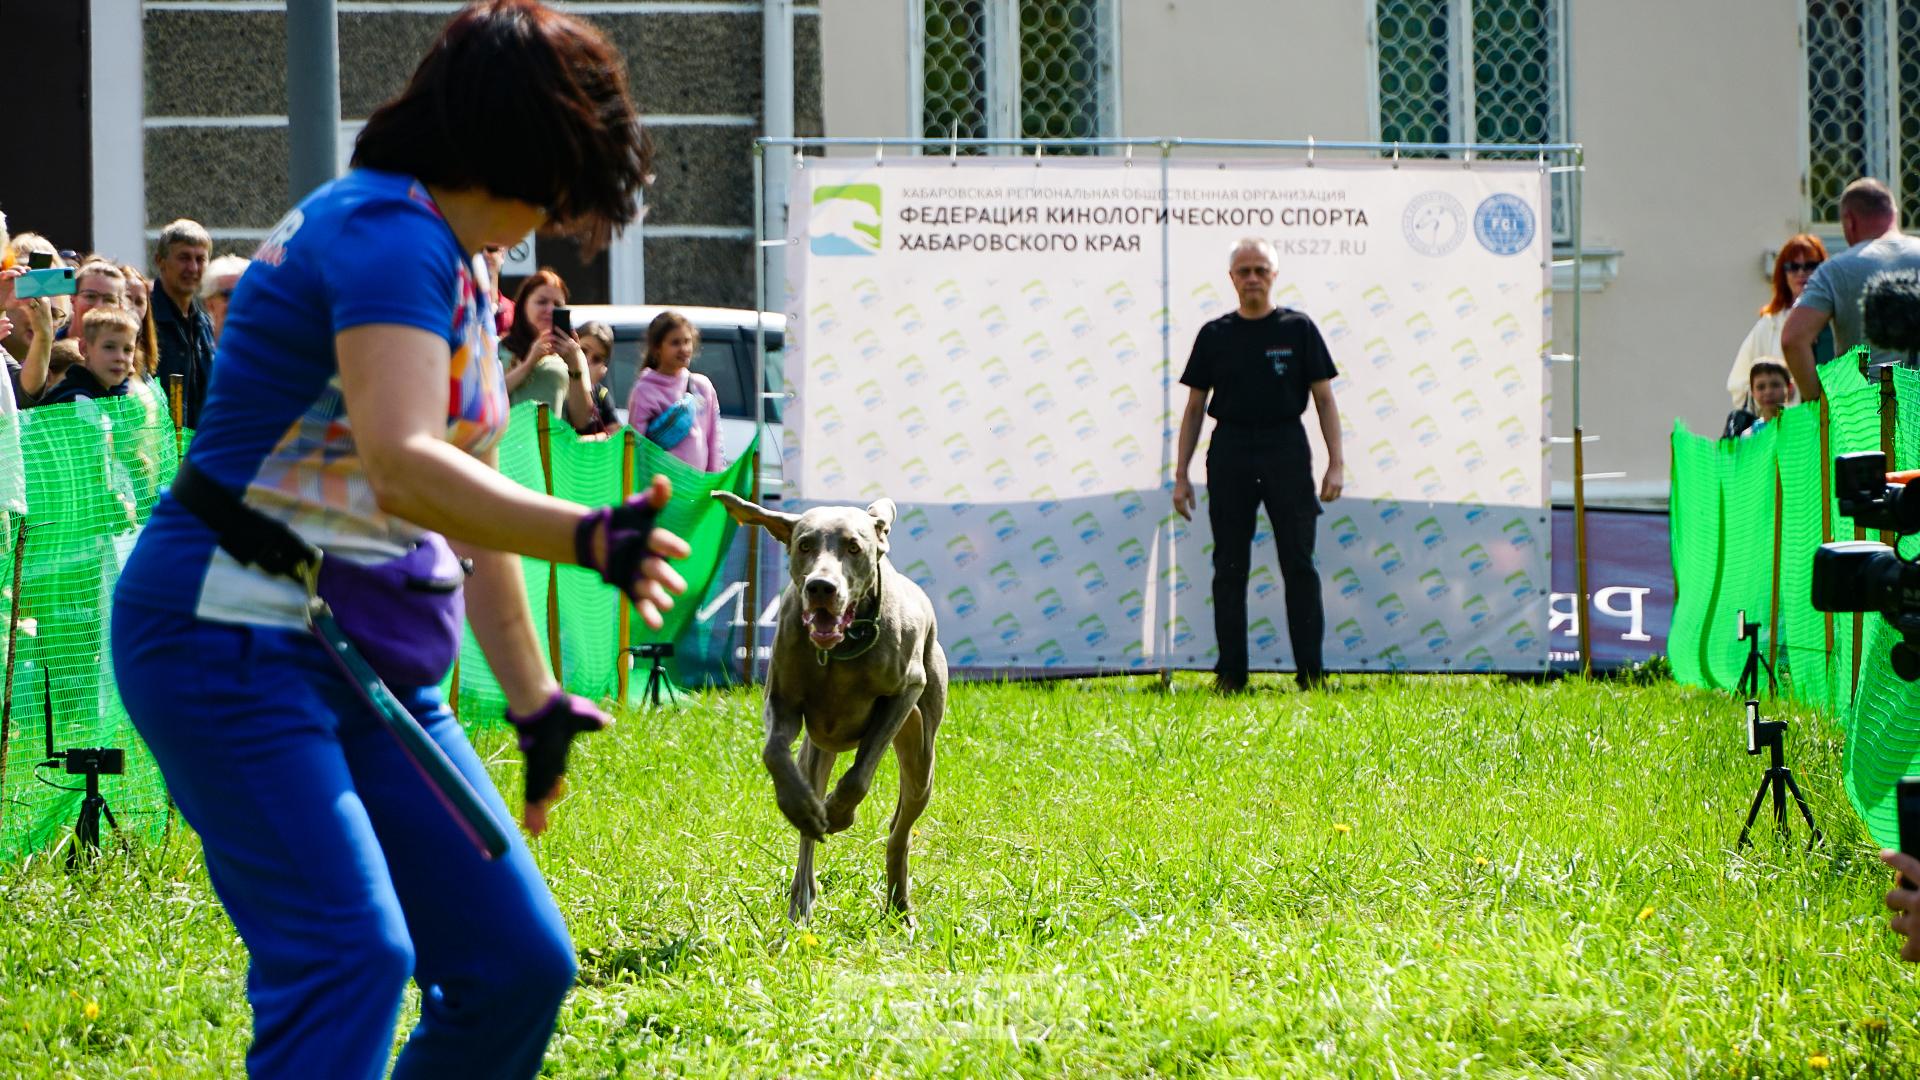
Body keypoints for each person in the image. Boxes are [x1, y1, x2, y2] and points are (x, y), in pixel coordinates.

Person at [109, 3, 676, 1076]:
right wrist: (591, 535)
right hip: (228, 637)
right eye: (565, 167)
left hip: (356, 656)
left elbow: (463, 492)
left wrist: (534, 696)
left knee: (517, 966)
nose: (566, 206)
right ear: (516, 140)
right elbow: (402, 459)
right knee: (348, 958)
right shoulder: (384, 235)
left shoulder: (458, 256)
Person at [1171, 237, 1345, 694]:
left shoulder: (1298, 329)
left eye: (1260, 270)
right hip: (1229, 450)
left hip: (1287, 447)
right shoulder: (1214, 335)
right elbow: (1193, 410)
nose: (1252, 278)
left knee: (1299, 565)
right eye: (1243, 270)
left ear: (1274, 276)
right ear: (1231, 278)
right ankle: (1231, 675)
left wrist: (1336, 464)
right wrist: (1180, 475)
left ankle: (1312, 675)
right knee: (1229, 566)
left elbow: (1325, 399)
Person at [1785, 179, 1920, 400]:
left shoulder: (1836, 270)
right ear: (1894, 214)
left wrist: (1817, 404)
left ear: (1849, 221)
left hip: (1867, 418)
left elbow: (1793, 338)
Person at [626, 310, 723, 470]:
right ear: (657, 348)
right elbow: (636, 450)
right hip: (661, 490)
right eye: (675, 343)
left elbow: (714, 440)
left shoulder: (702, 386)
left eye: (687, 341)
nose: (684, 348)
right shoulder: (644, 391)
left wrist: (715, 484)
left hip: (698, 490)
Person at [150, 218, 215, 427]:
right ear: (160, 261)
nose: (193, 267)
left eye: (200, 259)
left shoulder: (206, 327)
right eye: (184, 258)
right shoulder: (145, 322)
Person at [498, 267, 576, 412]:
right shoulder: (497, 348)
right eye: (542, 302)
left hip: (553, 434)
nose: (550, 310)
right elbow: (489, 398)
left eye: (557, 305)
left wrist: (576, 364)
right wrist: (530, 362)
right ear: (523, 305)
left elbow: (582, 419)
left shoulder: (569, 353)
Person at [42, 306, 137, 406]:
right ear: (84, 349)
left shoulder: (104, 394)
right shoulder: (78, 400)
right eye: (109, 347)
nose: (120, 358)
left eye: (128, 349)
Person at [571, 319, 619, 435]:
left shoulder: (601, 394)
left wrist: (588, 383)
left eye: (596, 359)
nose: (587, 361)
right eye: (583, 350)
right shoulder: (558, 383)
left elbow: (615, 436)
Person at [201, 253, 251, 343]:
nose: (237, 301)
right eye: (228, 294)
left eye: (244, 294)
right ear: (209, 303)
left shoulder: (267, 348)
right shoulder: (195, 349)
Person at [1738, 361, 1792, 438]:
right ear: (1753, 392)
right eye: (1761, 387)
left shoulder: (1798, 425)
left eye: (1775, 385)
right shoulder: (1749, 437)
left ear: (1789, 388)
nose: (1768, 392)